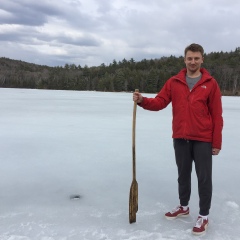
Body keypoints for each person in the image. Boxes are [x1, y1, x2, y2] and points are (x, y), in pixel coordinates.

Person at [133, 43, 223, 236]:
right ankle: (183, 206)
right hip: (180, 138)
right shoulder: (174, 82)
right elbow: (160, 102)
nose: (193, 61)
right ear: (184, 59)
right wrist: (142, 101)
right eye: (189, 58)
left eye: (196, 58)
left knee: (204, 178)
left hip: (203, 139)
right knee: (183, 174)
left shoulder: (210, 83)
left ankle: (204, 215)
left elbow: (217, 115)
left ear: (202, 60)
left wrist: (216, 143)